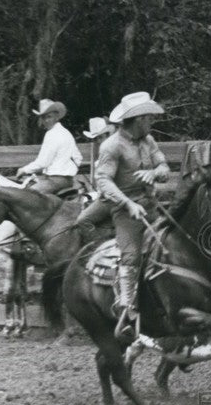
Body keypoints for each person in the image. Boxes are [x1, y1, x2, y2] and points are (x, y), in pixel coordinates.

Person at [94, 92, 170, 341]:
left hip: (151, 203)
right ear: (137, 119)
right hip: (125, 209)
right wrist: (127, 204)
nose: (152, 121)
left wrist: (154, 174)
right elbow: (103, 180)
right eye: (148, 117)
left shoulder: (149, 140)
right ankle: (127, 310)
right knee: (131, 255)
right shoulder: (111, 145)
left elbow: (165, 168)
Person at [15, 99, 83, 194]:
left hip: (55, 181)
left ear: (56, 117)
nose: (46, 121)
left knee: (27, 195)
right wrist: (68, 169)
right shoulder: (66, 133)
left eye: (49, 117)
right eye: (43, 118)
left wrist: (23, 170)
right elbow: (78, 157)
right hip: (66, 180)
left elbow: (43, 162)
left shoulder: (52, 134)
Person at [74, 117, 117, 236]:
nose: (99, 141)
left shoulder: (112, 153)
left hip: (111, 199)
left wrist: (98, 194)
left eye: (101, 137)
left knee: (82, 220)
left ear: (108, 135)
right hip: (106, 196)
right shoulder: (103, 155)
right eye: (97, 138)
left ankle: (97, 246)